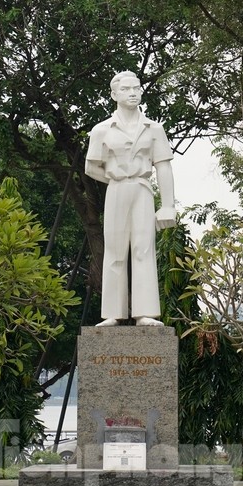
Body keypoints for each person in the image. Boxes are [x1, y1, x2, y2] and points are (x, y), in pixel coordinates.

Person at [85, 70, 176, 327]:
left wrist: (168, 205)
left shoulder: (154, 129)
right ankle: (113, 313)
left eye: (136, 88)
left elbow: (164, 166)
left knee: (143, 249)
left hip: (143, 189)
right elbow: (91, 168)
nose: (133, 93)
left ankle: (145, 312)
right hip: (116, 189)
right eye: (126, 89)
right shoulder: (101, 130)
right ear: (114, 94)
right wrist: (116, 178)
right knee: (114, 250)